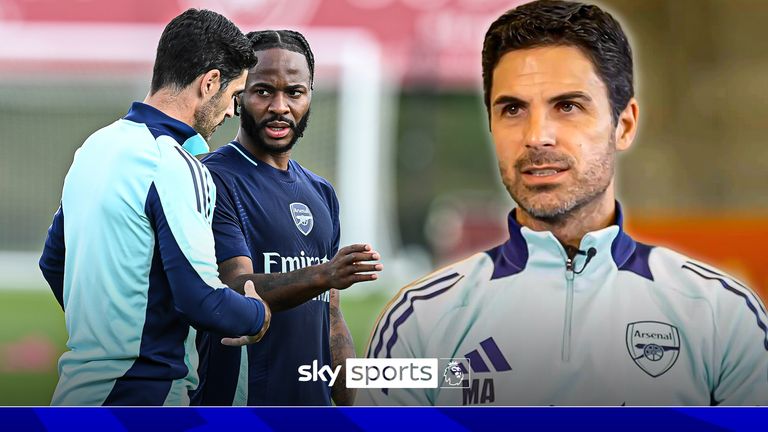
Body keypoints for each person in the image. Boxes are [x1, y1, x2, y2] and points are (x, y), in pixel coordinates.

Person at [359, 0, 768, 406]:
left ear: (623, 126)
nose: (537, 136)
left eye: (567, 106)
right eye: (513, 109)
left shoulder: (724, 315)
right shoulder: (417, 320)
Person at [39, 10, 379, 406]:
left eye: (295, 91)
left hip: (79, 392)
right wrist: (257, 315)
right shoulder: (184, 167)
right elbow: (202, 296)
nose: (233, 110)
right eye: (244, 93)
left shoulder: (95, 147)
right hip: (147, 395)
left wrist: (107, 328)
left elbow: (54, 262)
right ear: (211, 83)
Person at [192, 30, 380, 406]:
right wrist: (326, 273)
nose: (280, 106)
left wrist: (346, 408)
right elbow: (234, 290)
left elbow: (331, 317)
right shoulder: (211, 179)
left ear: (310, 95)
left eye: (294, 92)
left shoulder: (321, 192)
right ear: (239, 93)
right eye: (264, 91)